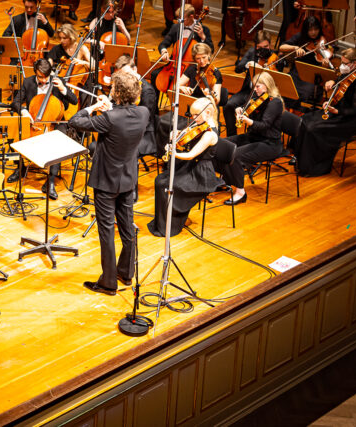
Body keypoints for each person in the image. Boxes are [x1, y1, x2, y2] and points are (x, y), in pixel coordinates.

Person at [69, 72, 150, 295]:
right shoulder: (143, 113)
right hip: (127, 179)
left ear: (116, 92)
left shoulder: (110, 118)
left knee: (106, 232)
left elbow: (75, 121)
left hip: (106, 182)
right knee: (127, 229)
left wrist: (95, 106)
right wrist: (111, 108)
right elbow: (123, 118)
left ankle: (108, 282)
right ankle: (126, 272)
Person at [294, 48, 356, 176]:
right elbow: (340, 84)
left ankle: (314, 166)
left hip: (352, 118)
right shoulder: (350, 73)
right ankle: (300, 160)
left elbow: (355, 109)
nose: (342, 66)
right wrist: (331, 91)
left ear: (355, 63)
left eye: (345, 63)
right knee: (305, 119)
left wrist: (336, 110)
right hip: (339, 109)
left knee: (313, 128)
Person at [148, 97, 220, 237]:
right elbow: (185, 135)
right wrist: (175, 135)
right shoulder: (200, 124)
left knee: (167, 185)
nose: (193, 118)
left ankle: (172, 224)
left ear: (208, 113)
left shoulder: (209, 134)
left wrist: (173, 152)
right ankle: (166, 221)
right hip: (191, 167)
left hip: (200, 173)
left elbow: (190, 155)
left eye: (196, 115)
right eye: (192, 114)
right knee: (160, 180)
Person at [8, 59, 77, 199]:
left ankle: (50, 181)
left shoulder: (59, 81)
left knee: (60, 138)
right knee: (18, 132)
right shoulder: (28, 82)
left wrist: (63, 89)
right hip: (34, 119)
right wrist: (23, 111)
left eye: (46, 77)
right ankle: (20, 168)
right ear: (35, 74)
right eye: (40, 77)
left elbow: (74, 100)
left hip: (54, 122)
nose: (44, 80)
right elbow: (15, 102)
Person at [217, 71, 285, 206]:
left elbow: (264, 126)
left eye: (258, 86)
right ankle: (226, 180)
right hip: (253, 137)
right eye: (254, 86)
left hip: (269, 143)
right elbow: (247, 109)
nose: (255, 89)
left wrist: (247, 121)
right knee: (222, 145)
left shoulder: (275, 103)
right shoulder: (258, 97)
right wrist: (240, 109)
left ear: (267, 86)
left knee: (235, 156)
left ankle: (240, 193)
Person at [223, 30, 278, 136]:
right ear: (255, 46)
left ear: (270, 44)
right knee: (228, 106)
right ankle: (232, 136)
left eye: (266, 46)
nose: (263, 50)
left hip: (264, 96)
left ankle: (252, 137)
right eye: (260, 47)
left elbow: (277, 80)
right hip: (248, 92)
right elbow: (237, 69)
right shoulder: (252, 52)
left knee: (257, 113)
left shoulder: (274, 58)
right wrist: (248, 64)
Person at [278, 15, 334, 105]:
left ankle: (300, 113)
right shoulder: (300, 37)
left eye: (316, 29)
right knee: (286, 88)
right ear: (305, 30)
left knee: (305, 94)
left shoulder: (322, 40)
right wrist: (295, 47)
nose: (313, 33)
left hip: (312, 76)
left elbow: (324, 67)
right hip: (298, 72)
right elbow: (282, 47)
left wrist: (325, 66)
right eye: (310, 30)